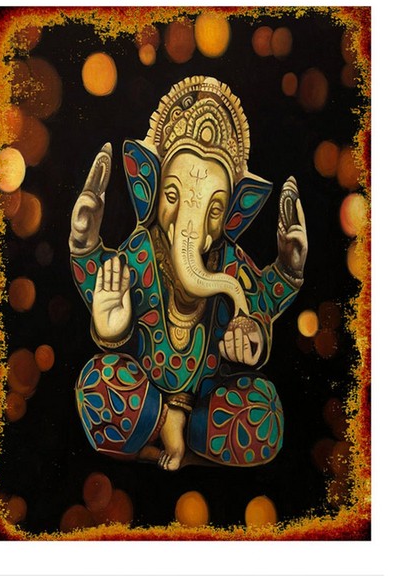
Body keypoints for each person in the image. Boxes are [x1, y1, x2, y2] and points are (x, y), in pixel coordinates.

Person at [69, 76, 307, 471]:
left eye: (214, 209)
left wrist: (287, 271)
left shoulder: (229, 263)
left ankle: (182, 435)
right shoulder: (142, 250)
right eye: (173, 196)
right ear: (150, 190)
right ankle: (165, 424)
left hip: (205, 403)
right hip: (143, 398)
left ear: (234, 214)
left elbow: (262, 299)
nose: (190, 222)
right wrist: (85, 247)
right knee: (97, 384)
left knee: (264, 414)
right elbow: (104, 281)